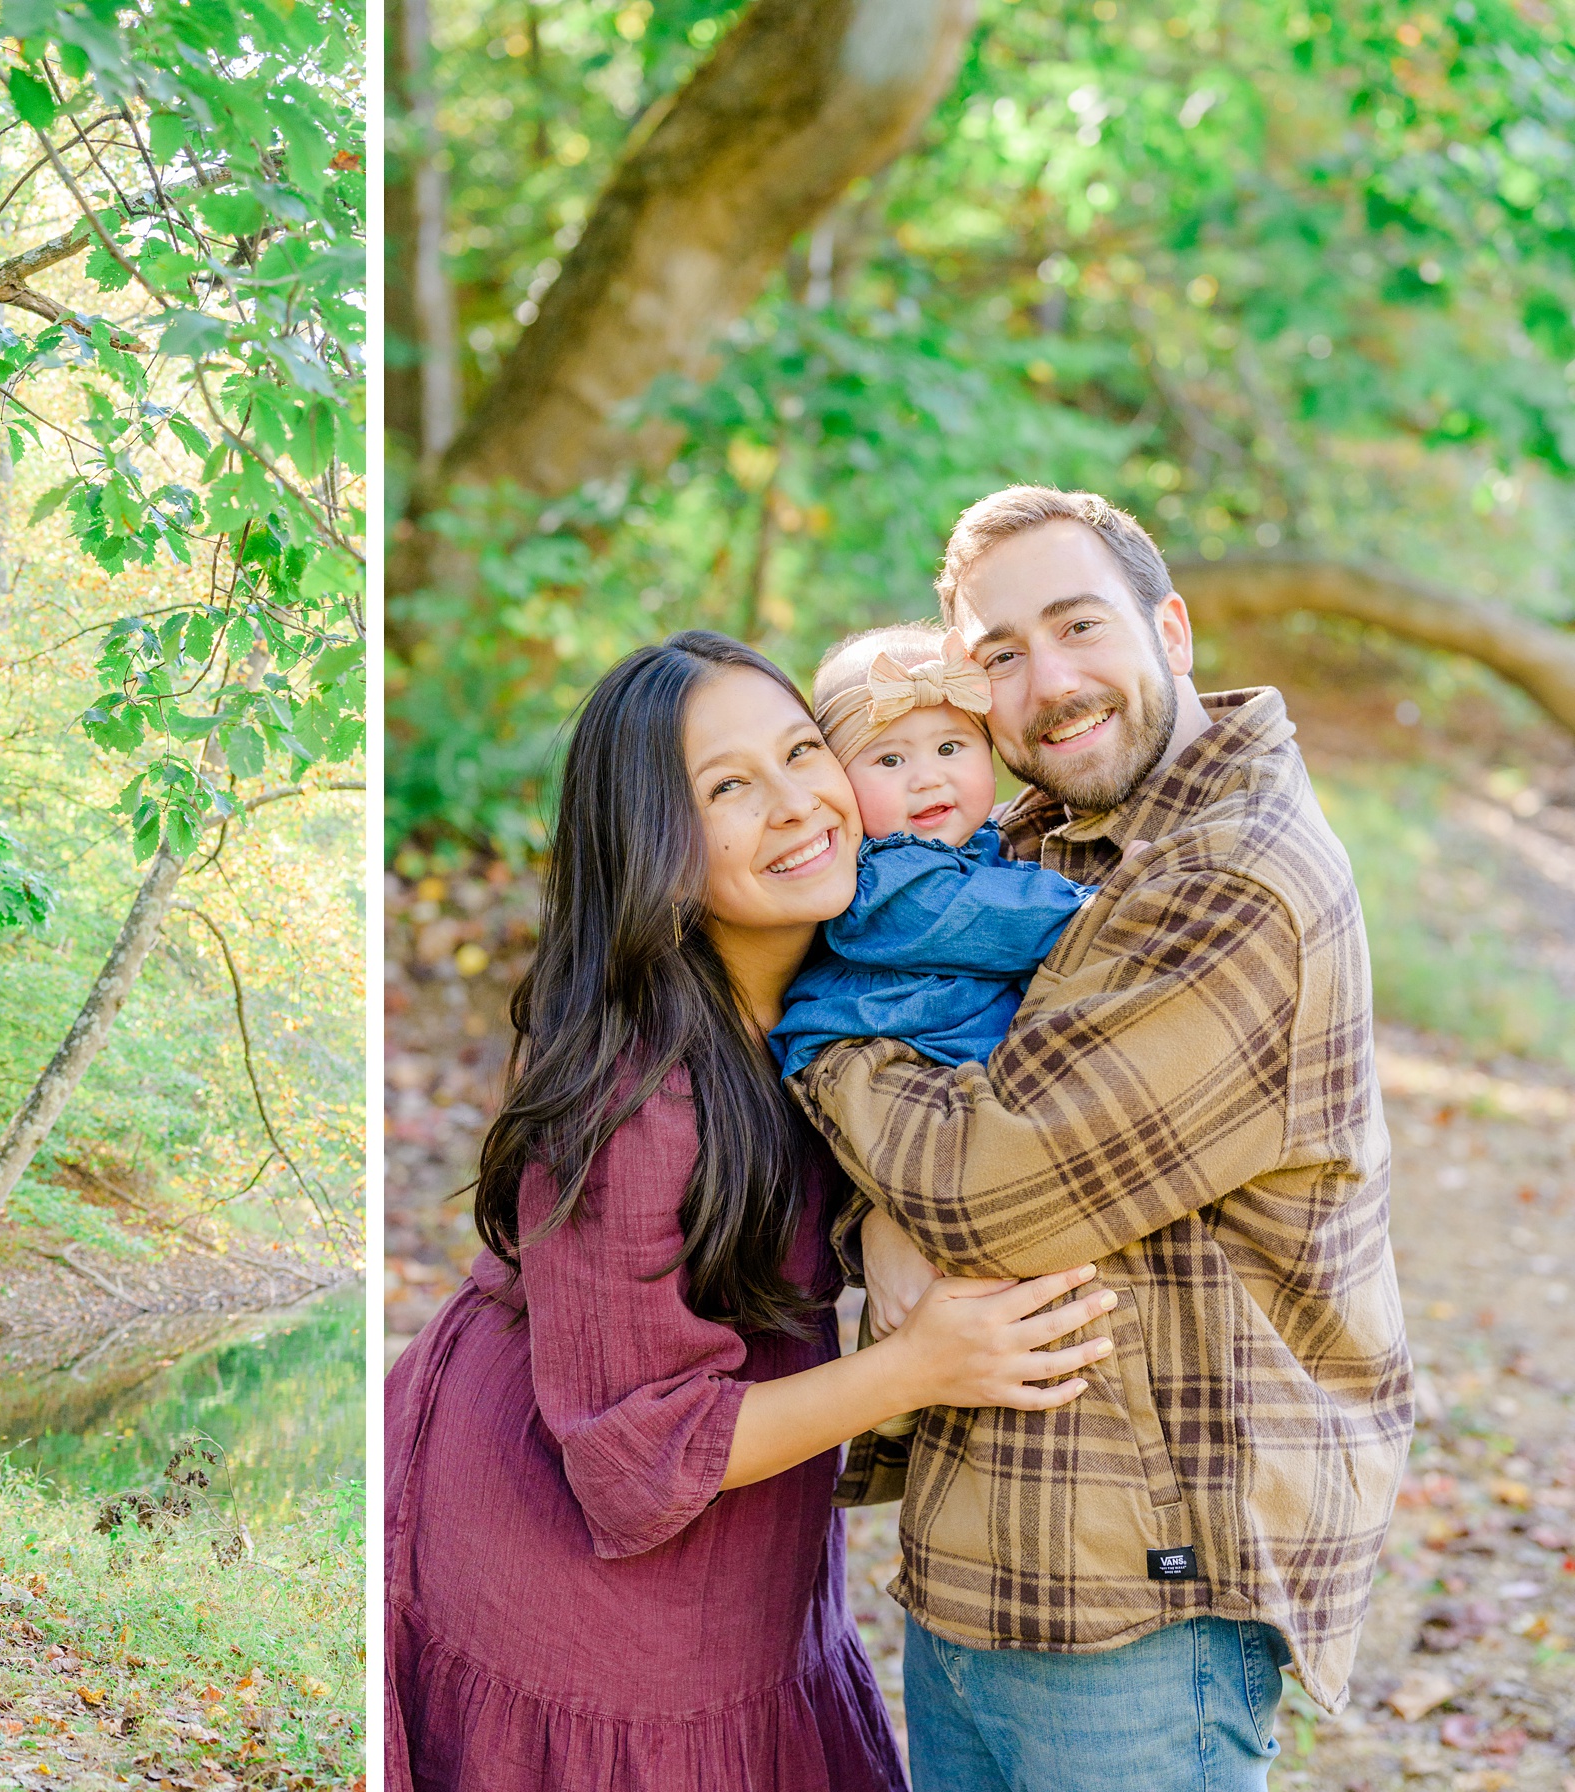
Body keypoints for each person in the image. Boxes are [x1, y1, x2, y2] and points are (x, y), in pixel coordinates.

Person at [384, 630, 1122, 1792]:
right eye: (730, 787)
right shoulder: (636, 1097)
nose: (796, 806)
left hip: (749, 1551)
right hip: (569, 1565)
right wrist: (920, 1364)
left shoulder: (857, 973)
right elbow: (630, 1458)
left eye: (801, 754)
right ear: (657, 852)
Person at [792, 487, 1414, 1790]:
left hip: (1136, 1606)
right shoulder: (1047, 835)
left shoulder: (1234, 878)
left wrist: (831, 1062)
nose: (1051, 683)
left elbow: (986, 1188)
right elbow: (921, 1138)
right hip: (982, 1552)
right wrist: (877, 1216)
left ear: (1171, 630)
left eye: (1079, 626)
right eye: (1002, 655)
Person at [768, 623, 1097, 1081]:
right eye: (889, 760)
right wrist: (1107, 899)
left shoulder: (981, 839)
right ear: (840, 779)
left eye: (948, 747)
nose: (927, 778)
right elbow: (991, 916)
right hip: (891, 1056)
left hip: (961, 1043)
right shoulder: (880, 876)